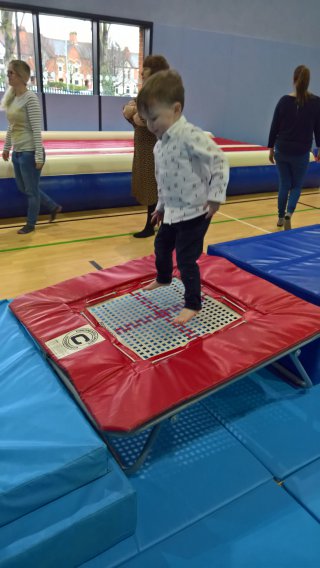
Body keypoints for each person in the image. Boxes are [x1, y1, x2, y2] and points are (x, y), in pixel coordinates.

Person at [136, 69, 229, 324]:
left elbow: (220, 161)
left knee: (187, 258)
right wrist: (161, 207)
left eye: (154, 118)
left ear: (176, 110)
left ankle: (193, 303)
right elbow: (163, 180)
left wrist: (216, 197)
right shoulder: (159, 145)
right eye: (146, 120)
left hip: (197, 211)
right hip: (173, 212)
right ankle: (164, 277)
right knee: (161, 246)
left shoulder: (190, 136)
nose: (150, 125)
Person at [1, 60, 61, 234]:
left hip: (30, 151)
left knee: (31, 191)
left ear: (21, 76)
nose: (8, 76)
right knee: (24, 188)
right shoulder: (12, 98)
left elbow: (36, 128)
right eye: (8, 73)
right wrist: (7, 148)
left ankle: (30, 223)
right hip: (17, 152)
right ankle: (53, 206)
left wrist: (39, 157)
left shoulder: (30, 98)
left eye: (11, 73)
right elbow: (11, 126)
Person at [268, 65, 320, 230]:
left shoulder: (284, 101)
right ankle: (290, 212)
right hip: (301, 151)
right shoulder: (316, 102)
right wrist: (319, 147)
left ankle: (280, 218)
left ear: (294, 80)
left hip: (282, 148)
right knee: (296, 185)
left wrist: (270, 148)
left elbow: (274, 126)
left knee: (284, 184)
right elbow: (318, 128)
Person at [123, 55, 169, 238]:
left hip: (155, 146)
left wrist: (136, 113)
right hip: (144, 146)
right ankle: (152, 225)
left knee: (155, 187)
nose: (142, 75)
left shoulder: (161, 95)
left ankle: (158, 226)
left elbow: (146, 119)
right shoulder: (146, 93)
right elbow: (131, 114)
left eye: (146, 73)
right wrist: (134, 113)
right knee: (149, 187)